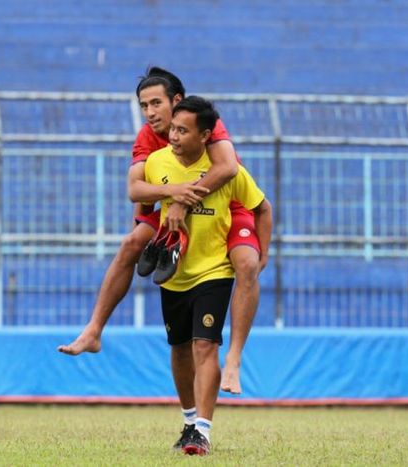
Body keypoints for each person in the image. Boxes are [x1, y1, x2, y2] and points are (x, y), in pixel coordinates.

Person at [58, 67, 265, 395]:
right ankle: (94, 330)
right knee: (131, 243)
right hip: (173, 205)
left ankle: (235, 358)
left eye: (156, 103)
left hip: (226, 205)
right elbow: (135, 190)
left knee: (247, 265)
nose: (150, 113)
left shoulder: (202, 120)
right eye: (143, 105)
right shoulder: (146, 136)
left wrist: (184, 199)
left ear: (176, 101)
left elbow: (226, 168)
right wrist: (170, 200)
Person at [144, 96, 272, 455]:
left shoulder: (227, 172)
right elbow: (141, 203)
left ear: (205, 136)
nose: (173, 135)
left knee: (205, 346)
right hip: (175, 275)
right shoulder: (156, 164)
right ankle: (188, 421)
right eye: (173, 128)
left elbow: (262, 208)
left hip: (214, 272)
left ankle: (202, 430)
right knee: (180, 349)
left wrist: (264, 252)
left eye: (183, 130)